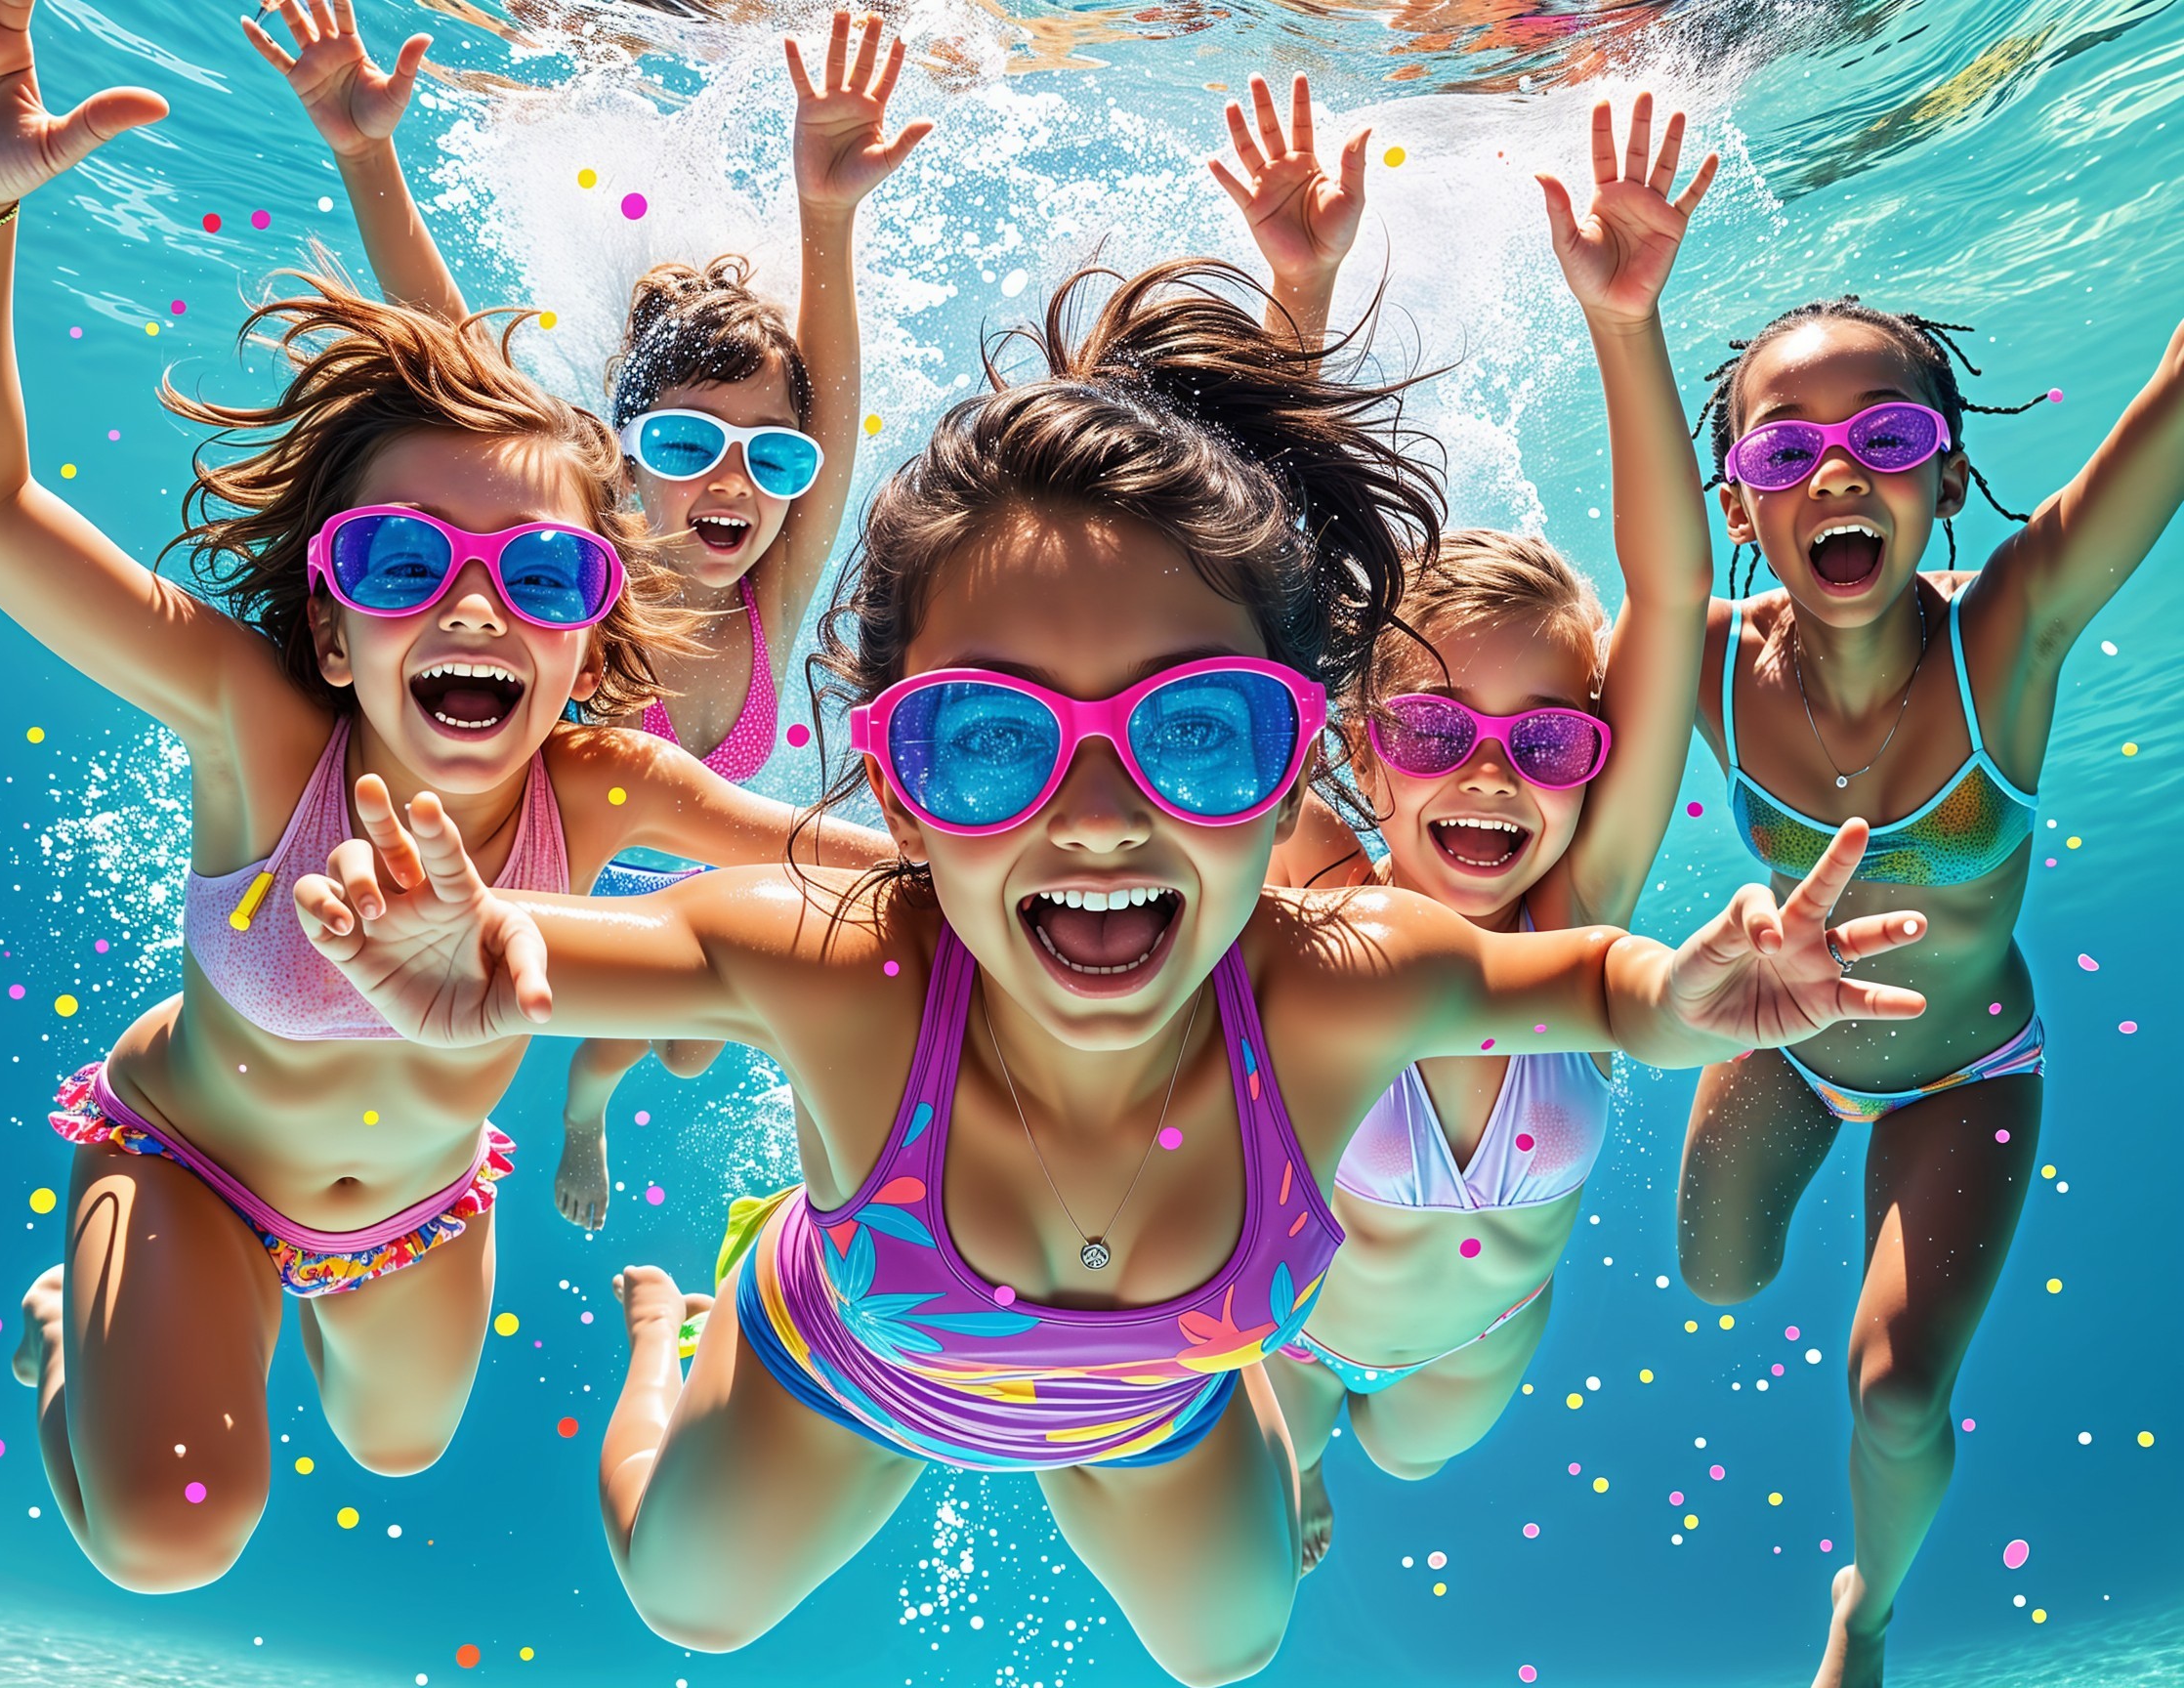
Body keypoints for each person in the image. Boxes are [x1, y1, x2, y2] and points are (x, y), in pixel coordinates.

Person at [293, 257, 1925, 1683]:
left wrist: (1688, 991)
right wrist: (481, 950)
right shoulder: (852, 967)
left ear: (1293, 776)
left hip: (1147, 1408)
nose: (1092, 815)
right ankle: (681, 1314)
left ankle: (1160, 1420)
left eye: (1193, 731)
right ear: (892, 771)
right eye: (992, 738)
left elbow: (1573, 988)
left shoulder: (1333, 973)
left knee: (1233, 1638)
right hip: (843, 1363)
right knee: (687, 1601)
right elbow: (620, 949)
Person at [0, 0, 886, 1591]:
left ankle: (146, 1336)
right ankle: (71, 1338)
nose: (471, 609)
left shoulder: (603, 776)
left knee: (400, 1443)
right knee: (172, 1537)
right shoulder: (259, 724)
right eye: (398, 562)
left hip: (426, 1201)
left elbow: (857, 869)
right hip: (197, 1162)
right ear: (326, 615)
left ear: (596, 617)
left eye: (537, 571)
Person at [248, 0, 929, 1228]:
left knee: (685, 1043)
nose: (734, 481)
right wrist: (367, 155)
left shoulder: (771, 589)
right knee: (654, 1021)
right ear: (616, 462)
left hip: (697, 876)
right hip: (570, 893)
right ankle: (576, 1111)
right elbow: (455, 357)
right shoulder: (563, 587)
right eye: (682, 443)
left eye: (768, 461)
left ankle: (595, 1097)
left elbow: (825, 428)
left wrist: (829, 216)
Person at [1212, 76, 1718, 1569]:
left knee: (1419, 1469)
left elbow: (1673, 596)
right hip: (1291, 1326)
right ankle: (1291, 1446)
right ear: (1361, 757)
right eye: (1435, 733)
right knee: (1251, 1549)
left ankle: (1336, 1459)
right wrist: (1297, 297)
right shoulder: (1310, 891)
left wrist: (1626, 323)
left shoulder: (1587, 909)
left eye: (1544, 741)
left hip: (1480, 1342)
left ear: (1597, 758)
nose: (1490, 779)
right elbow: (1254, 603)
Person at [1682, 285, 2184, 1685]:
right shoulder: (1711, 660)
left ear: (1950, 473)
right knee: (1716, 1281)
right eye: (1784, 454)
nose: (1836, 474)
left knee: (1895, 1393)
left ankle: (1872, 1611)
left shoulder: (2009, 632)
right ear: (1738, 507)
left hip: (1967, 1071)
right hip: (1790, 1049)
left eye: (1885, 436)